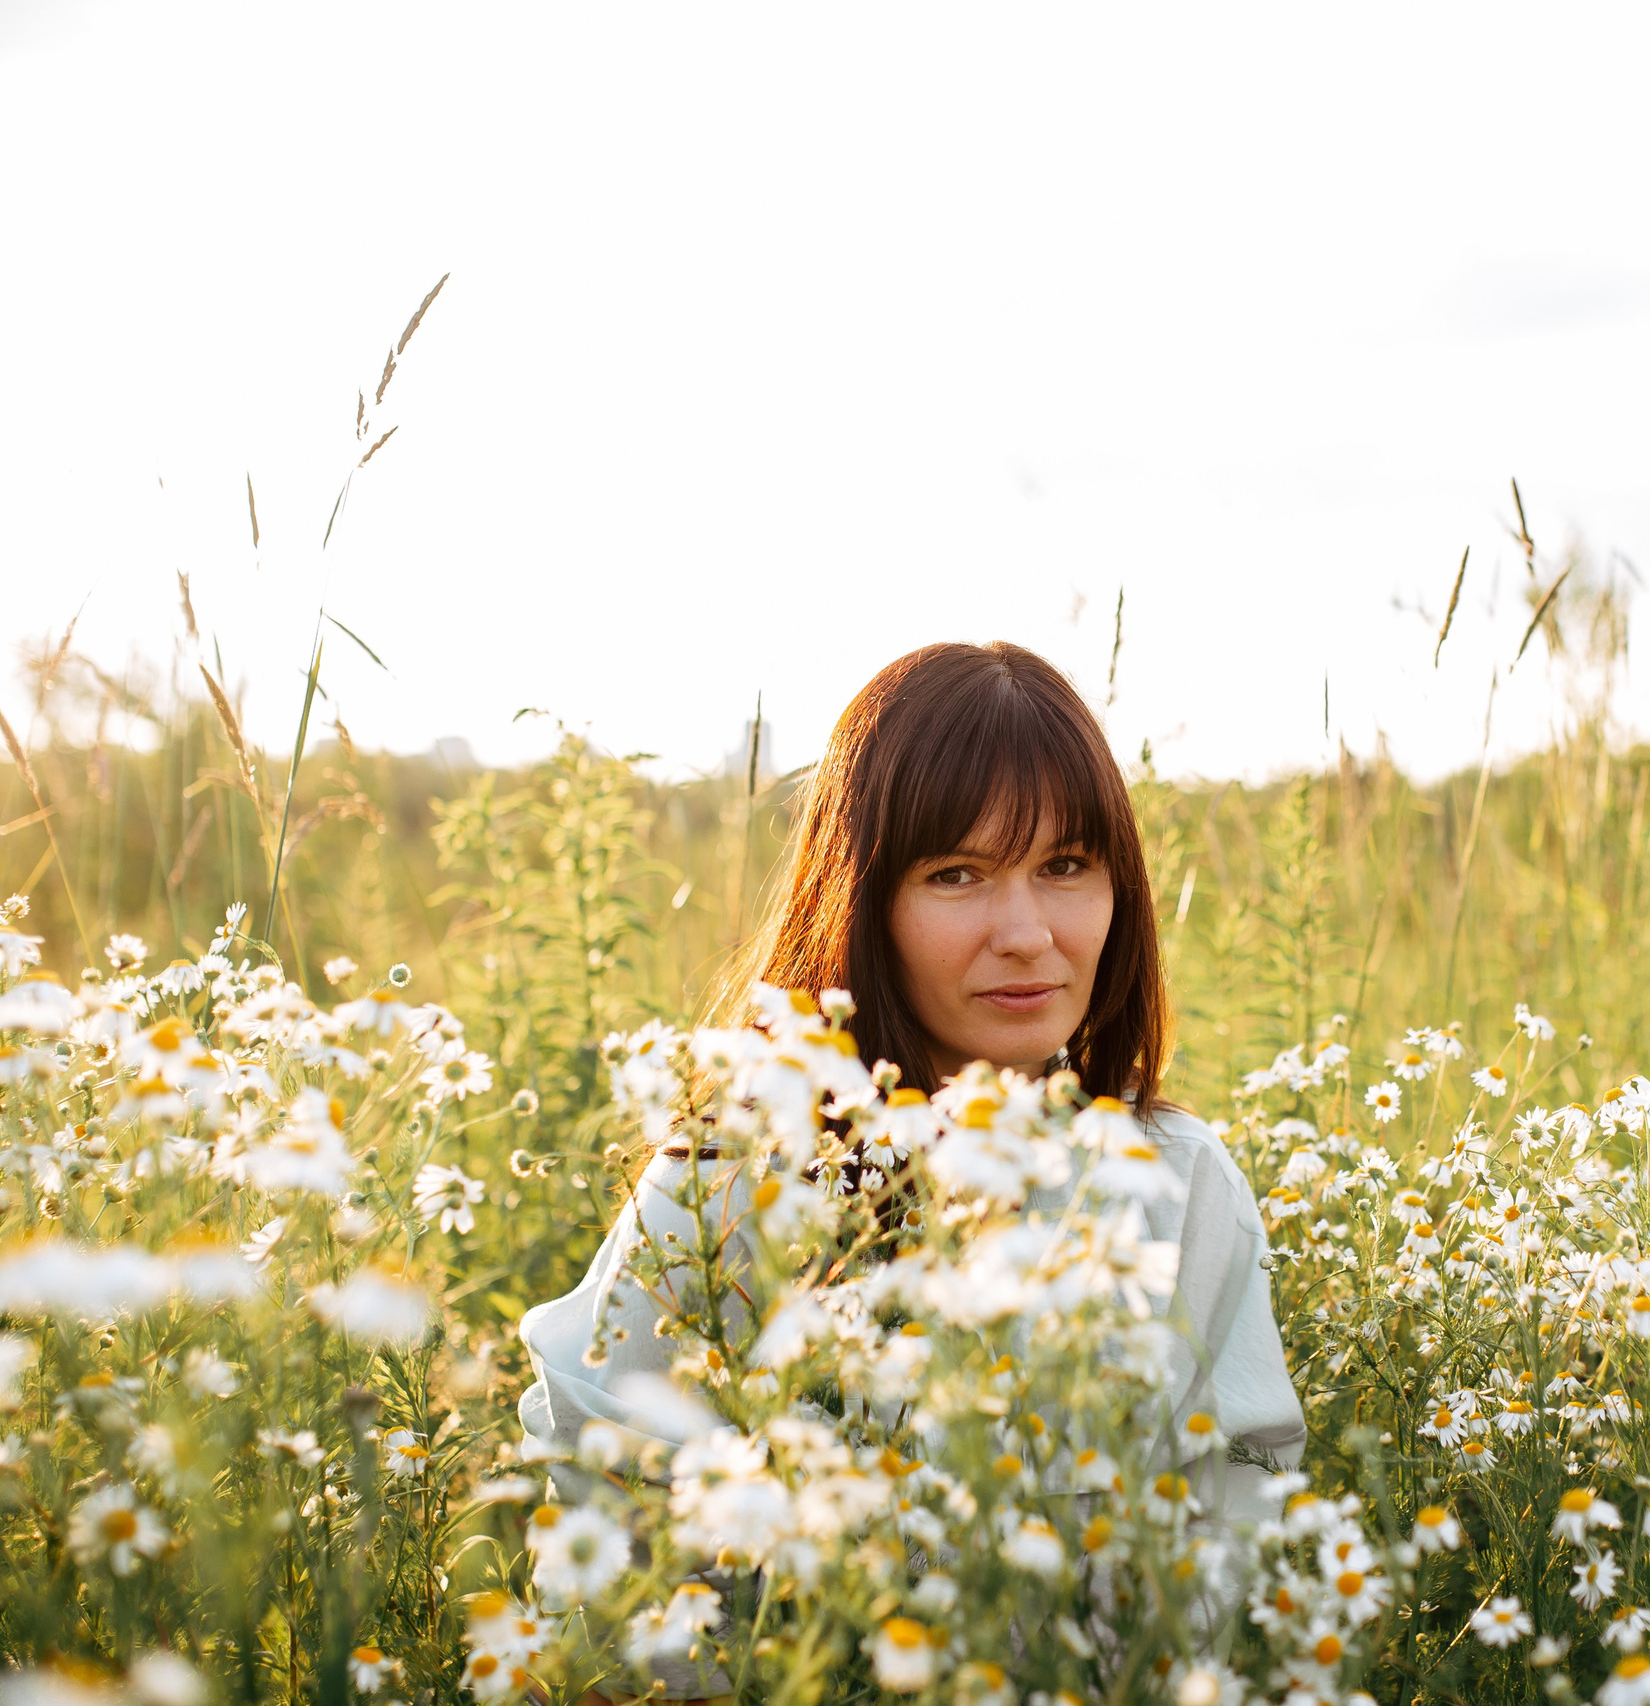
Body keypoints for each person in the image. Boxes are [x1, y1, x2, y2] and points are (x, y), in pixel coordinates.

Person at [519, 641, 1306, 1696]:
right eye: (956, 875)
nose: (1026, 933)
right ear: (861, 900)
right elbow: (610, 1545)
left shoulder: (1179, 1184)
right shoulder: (729, 1184)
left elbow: (1239, 1532)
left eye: (1066, 866)